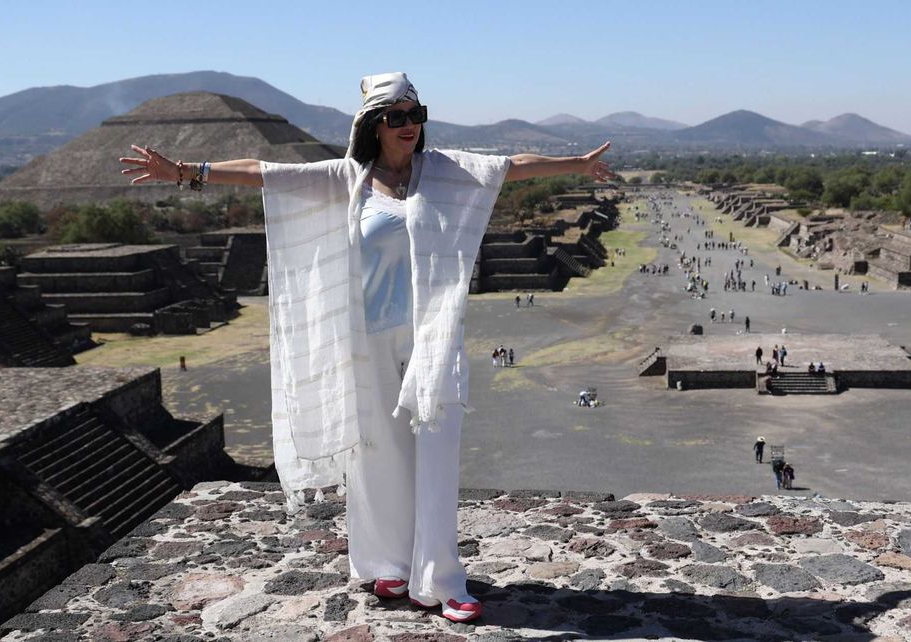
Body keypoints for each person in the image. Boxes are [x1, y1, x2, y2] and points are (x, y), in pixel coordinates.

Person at [119, 72, 616, 623]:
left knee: (435, 455)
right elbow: (267, 174)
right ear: (374, 125)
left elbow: (512, 165)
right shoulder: (346, 178)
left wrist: (576, 164)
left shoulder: (445, 172)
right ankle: (388, 565)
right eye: (396, 116)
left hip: (433, 336)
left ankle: (442, 582)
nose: (409, 125)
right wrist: (189, 172)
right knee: (377, 453)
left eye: (415, 113)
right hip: (369, 340)